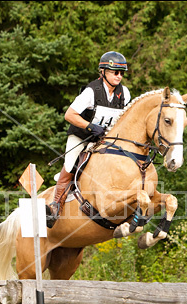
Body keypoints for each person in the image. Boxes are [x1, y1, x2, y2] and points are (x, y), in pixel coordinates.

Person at [46, 51, 131, 228]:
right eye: (115, 72)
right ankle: (55, 205)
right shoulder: (91, 91)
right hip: (82, 136)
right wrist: (90, 126)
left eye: (122, 73)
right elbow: (69, 114)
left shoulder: (124, 93)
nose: (119, 76)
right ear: (103, 72)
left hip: (105, 139)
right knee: (70, 164)